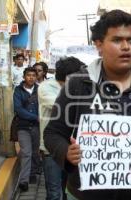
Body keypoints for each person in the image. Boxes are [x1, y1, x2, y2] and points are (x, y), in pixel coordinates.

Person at [44, 9, 131, 200]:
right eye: (117, 40)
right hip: (85, 194)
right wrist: (66, 153)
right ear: (99, 45)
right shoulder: (78, 84)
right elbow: (52, 133)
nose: (126, 47)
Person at [38, 57, 85, 200]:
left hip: (71, 149)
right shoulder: (45, 88)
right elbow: (63, 106)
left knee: (68, 189)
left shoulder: (76, 88)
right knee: (54, 192)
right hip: (51, 149)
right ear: (69, 77)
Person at [13, 67, 40, 192]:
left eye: (33, 75)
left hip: (37, 127)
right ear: (24, 77)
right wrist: (35, 117)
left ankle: (33, 172)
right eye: (28, 75)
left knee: (35, 151)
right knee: (26, 153)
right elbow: (18, 109)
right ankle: (24, 181)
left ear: (36, 77)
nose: (31, 77)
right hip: (23, 126)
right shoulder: (18, 91)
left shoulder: (40, 90)